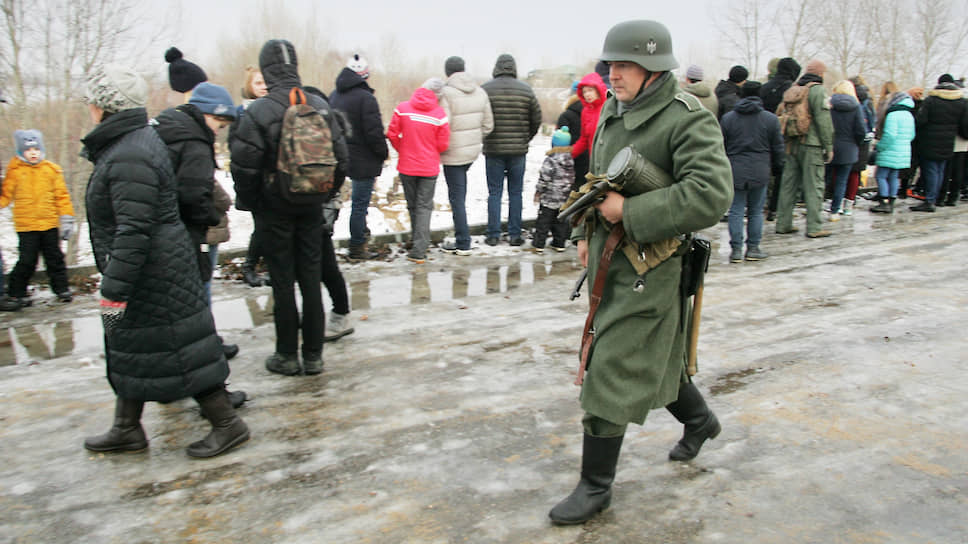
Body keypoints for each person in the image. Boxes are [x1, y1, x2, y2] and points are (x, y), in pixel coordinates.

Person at [549, 20, 732, 525]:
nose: (614, 73)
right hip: (612, 258)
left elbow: (711, 195)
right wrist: (590, 238)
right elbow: (599, 183)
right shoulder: (613, 107)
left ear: (654, 69)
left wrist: (629, 214)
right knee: (658, 361)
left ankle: (595, 486)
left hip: (652, 268)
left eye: (624, 65)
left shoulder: (686, 120)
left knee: (610, 365)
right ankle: (701, 422)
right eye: (611, 64)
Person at [81, 64, 248, 458]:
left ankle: (228, 424)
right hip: (153, 267)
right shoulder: (130, 143)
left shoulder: (130, 154)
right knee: (135, 346)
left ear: (105, 106)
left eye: (91, 100)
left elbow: (134, 229)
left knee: (179, 348)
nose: (87, 107)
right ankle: (126, 428)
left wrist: (115, 287)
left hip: (151, 272)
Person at [230, 39, 349, 376]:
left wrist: (256, 204)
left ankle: (286, 355)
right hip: (312, 207)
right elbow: (342, 159)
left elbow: (243, 168)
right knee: (311, 277)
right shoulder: (319, 105)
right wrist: (324, 193)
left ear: (266, 70)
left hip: (274, 209)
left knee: (283, 280)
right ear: (295, 66)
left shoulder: (258, 111)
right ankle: (313, 356)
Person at [151, 81, 247, 408]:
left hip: (160, 237)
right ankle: (216, 400)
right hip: (183, 239)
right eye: (219, 126)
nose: (218, 133)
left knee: (172, 320)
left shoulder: (166, 128)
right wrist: (210, 212)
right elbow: (193, 195)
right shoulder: (193, 143)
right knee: (193, 320)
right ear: (208, 114)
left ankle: (170, 387)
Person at [0, 129, 75, 307]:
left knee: (55, 258)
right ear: (20, 152)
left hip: (49, 224)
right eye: (28, 150)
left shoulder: (52, 170)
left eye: (36, 149)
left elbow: (62, 196)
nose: (33, 153)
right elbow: (6, 196)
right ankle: (16, 292)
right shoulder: (15, 171)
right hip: (27, 226)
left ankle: (62, 289)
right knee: (27, 260)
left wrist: (66, 218)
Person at [303, 85, 354, 342]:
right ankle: (324, 314)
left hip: (323, 204)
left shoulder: (325, 127)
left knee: (324, 263)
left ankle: (341, 313)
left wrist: (325, 195)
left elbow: (341, 165)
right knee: (321, 261)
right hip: (320, 202)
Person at [329, 54, 388, 261]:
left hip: (338, 157)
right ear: (364, 75)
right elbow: (374, 133)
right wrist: (383, 153)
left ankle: (325, 242)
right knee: (359, 206)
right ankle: (356, 248)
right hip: (363, 160)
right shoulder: (366, 98)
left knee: (332, 203)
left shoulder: (333, 96)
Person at [386, 78, 450, 264]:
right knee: (424, 207)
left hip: (407, 165)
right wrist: (430, 150)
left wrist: (402, 148)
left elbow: (391, 133)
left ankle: (417, 242)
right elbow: (443, 143)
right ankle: (419, 249)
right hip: (429, 167)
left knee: (412, 205)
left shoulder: (403, 108)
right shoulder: (439, 114)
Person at [481, 53, 541, 246]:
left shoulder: (485, 90)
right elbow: (536, 119)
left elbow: (480, 118)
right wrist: (525, 138)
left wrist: (486, 137)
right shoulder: (526, 90)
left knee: (495, 193)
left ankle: (493, 235)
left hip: (493, 150)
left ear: (496, 67)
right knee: (516, 193)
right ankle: (515, 235)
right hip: (518, 151)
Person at [720, 80, 783, 262]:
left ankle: (736, 250)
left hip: (735, 169)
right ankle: (753, 248)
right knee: (756, 211)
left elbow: (721, 146)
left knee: (736, 210)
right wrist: (778, 167)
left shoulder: (729, 118)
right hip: (760, 169)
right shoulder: (770, 119)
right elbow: (777, 147)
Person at [439, 55, 493, 256]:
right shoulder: (480, 92)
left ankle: (463, 242)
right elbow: (488, 125)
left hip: (452, 153)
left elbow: (444, 125)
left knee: (457, 198)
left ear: (447, 72)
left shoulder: (445, 93)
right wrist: (474, 139)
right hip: (471, 152)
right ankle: (462, 239)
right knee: (459, 195)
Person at [775, 59, 834, 238]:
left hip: (791, 143)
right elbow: (823, 121)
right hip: (812, 144)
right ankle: (814, 227)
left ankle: (783, 223)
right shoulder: (817, 91)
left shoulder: (793, 90)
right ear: (821, 74)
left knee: (788, 185)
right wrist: (829, 146)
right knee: (814, 185)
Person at [910, 74, 968, 212]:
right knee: (940, 170)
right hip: (948, 142)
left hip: (929, 141)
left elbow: (921, 120)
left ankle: (929, 200)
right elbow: (963, 125)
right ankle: (935, 198)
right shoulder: (961, 102)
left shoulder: (931, 100)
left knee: (930, 170)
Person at [235, 66, 270, 287]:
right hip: (253, 179)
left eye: (266, 82)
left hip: (272, 179)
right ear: (249, 86)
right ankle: (249, 266)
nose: (263, 87)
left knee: (269, 226)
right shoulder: (241, 113)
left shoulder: (273, 108)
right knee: (262, 226)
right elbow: (237, 149)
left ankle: (266, 266)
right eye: (258, 83)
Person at [760, 58, 801, 221]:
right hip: (782, 136)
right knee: (782, 173)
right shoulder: (792, 89)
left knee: (765, 172)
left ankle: (760, 204)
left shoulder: (764, 87)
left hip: (762, 134)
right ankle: (774, 208)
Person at [869, 91, 916, 213]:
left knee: (881, 176)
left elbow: (890, 135)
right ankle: (891, 200)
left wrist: (879, 146)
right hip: (903, 151)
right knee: (894, 177)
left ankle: (883, 201)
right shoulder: (909, 115)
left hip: (889, 150)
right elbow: (912, 135)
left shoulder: (893, 115)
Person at [826, 80, 866, 218]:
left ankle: (817, 206)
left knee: (824, 178)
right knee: (842, 180)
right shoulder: (856, 107)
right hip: (849, 148)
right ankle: (835, 210)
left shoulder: (829, 104)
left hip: (829, 146)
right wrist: (856, 143)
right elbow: (861, 130)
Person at [531, 126, 574, 253]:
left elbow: (544, 178)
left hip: (549, 198)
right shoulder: (570, 160)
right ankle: (559, 243)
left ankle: (539, 243)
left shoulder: (550, 160)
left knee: (543, 222)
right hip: (564, 198)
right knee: (560, 221)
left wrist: (538, 191)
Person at [845, 76, 876, 215]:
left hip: (849, 139)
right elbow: (872, 121)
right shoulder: (868, 100)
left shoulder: (849, 98)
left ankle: (842, 199)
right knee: (856, 172)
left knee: (845, 171)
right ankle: (851, 199)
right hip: (864, 140)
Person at [570, 73, 608, 162]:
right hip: (595, 162)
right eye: (584, 92)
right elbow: (584, 140)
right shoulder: (585, 112)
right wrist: (567, 155)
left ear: (598, 90)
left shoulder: (610, 107)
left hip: (612, 161)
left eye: (590, 90)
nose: (587, 94)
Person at [556, 81, 585, 191]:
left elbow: (559, 139)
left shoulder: (566, 115)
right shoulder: (593, 113)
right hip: (588, 159)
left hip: (567, 158)